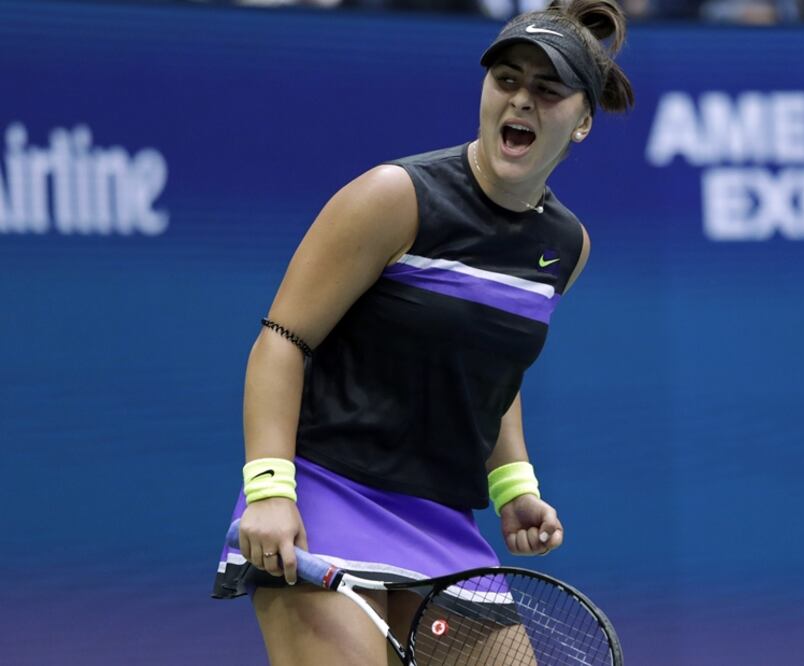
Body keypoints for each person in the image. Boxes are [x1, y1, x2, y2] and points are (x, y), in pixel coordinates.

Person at [211, 1, 634, 664]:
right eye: (507, 81)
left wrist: (514, 487)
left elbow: (490, 373)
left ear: (581, 122)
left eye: (547, 91)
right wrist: (268, 490)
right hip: (326, 494)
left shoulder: (564, 247)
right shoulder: (395, 198)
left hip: (440, 524)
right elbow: (282, 340)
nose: (521, 102)